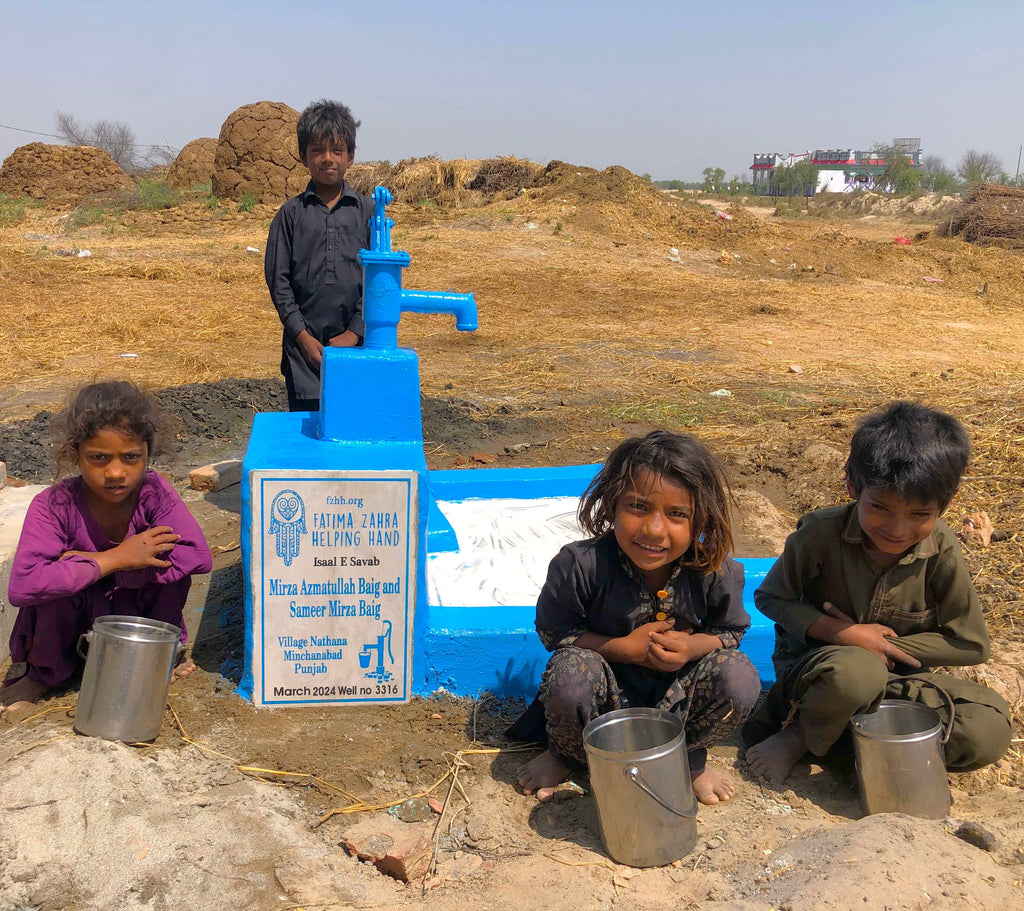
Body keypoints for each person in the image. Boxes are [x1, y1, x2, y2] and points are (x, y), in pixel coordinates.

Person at [742, 401, 1011, 785]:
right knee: (857, 671)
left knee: (988, 727)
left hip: (896, 686)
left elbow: (971, 644)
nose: (897, 529)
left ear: (944, 504)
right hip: (819, 681)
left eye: (920, 514)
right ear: (853, 486)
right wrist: (844, 635)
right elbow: (769, 598)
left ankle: (849, 746)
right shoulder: (820, 533)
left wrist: (886, 646)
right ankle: (797, 736)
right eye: (881, 507)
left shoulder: (942, 546)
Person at [511, 430, 761, 804]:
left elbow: (730, 632)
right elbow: (555, 632)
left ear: (700, 522)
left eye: (677, 514)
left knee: (739, 676)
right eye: (639, 507)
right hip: (603, 696)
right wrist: (620, 649)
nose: (654, 530)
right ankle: (567, 755)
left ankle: (688, 757)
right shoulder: (580, 565)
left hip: (681, 698)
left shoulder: (715, 571)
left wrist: (693, 646)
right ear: (612, 505)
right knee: (569, 674)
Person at [1, 381, 213, 713]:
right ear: (76, 454)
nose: (115, 472)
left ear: (147, 453)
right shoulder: (54, 505)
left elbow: (197, 556)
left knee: (172, 569)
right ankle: (44, 674)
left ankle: (159, 655)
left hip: (134, 627)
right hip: (73, 626)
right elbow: (23, 585)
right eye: (99, 458)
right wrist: (112, 559)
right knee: (56, 584)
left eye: (131, 457)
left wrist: (117, 565)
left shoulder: (154, 492)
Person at [265, 99, 374, 413]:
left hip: (357, 348)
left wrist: (355, 332)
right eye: (317, 150)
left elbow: (378, 281)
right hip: (304, 354)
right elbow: (278, 281)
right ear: (303, 157)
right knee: (308, 436)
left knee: (353, 421)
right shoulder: (290, 214)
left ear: (350, 157)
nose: (327, 159)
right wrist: (301, 334)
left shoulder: (367, 212)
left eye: (337, 150)